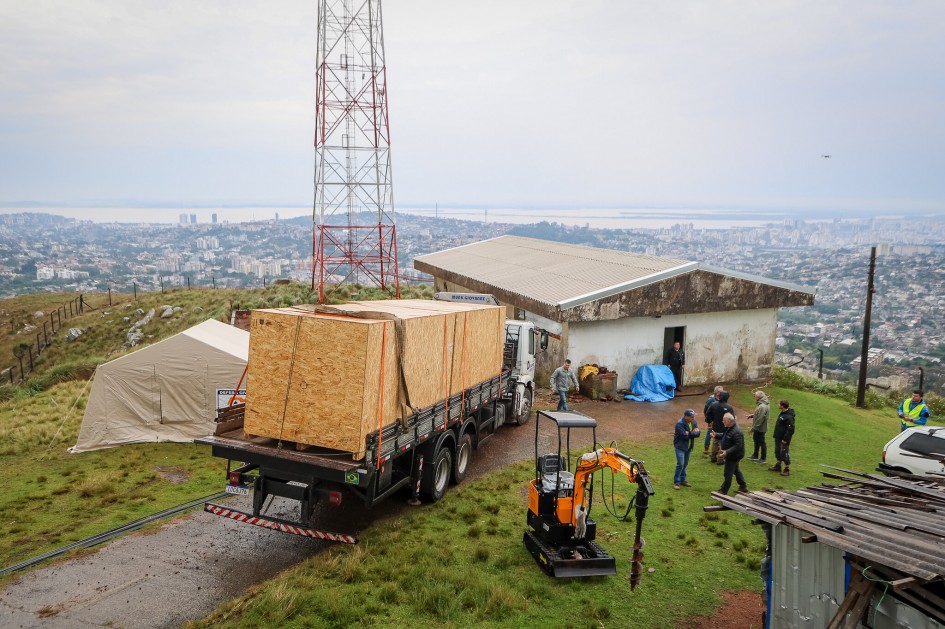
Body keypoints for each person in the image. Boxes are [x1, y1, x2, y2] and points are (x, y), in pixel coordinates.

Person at [717, 412, 748, 495]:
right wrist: (715, 435)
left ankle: (723, 490)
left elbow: (738, 446)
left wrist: (727, 452)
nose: (722, 421)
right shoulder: (729, 428)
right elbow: (725, 436)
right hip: (732, 454)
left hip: (734, 455)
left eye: (723, 420)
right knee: (736, 470)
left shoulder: (736, 432)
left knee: (728, 472)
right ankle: (743, 486)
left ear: (728, 421)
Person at [673, 409, 701, 490]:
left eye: (694, 416)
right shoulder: (679, 424)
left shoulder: (694, 422)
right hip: (680, 447)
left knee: (685, 464)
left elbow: (698, 433)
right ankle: (676, 482)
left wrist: (689, 433)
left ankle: (683, 480)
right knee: (680, 464)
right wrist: (693, 433)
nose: (693, 418)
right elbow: (684, 436)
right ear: (686, 417)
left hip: (688, 447)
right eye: (691, 416)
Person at [769, 400, 795, 476]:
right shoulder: (783, 413)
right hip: (778, 437)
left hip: (784, 439)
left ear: (782, 406)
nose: (778, 405)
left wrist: (785, 439)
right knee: (777, 451)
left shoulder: (789, 416)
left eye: (779, 404)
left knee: (784, 453)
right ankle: (778, 465)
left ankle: (787, 469)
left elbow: (791, 429)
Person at [707, 391, 735, 464]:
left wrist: (710, 421)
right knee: (723, 443)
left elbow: (708, 413)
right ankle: (720, 459)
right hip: (725, 427)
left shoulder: (713, 405)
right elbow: (732, 418)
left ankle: (713, 458)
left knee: (715, 442)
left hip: (715, 426)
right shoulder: (729, 407)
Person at [746, 390, 770, 464]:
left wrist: (753, 428)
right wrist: (752, 416)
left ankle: (763, 458)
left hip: (760, 428)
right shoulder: (762, 404)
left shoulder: (762, 406)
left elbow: (760, 419)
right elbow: (759, 414)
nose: (754, 397)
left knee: (762, 442)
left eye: (755, 396)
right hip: (759, 427)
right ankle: (755, 455)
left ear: (759, 397)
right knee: (756, 440)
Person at [703, 386, 723, 456]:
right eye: (721, 392)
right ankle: (706, 450)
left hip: (718, 421)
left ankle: (716, 451)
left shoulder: (720, 399)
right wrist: (709, 421)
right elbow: (706, 411)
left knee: (717, 435)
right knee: (709, 434)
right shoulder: (711, 400)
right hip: (712, 421)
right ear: (717, 393)